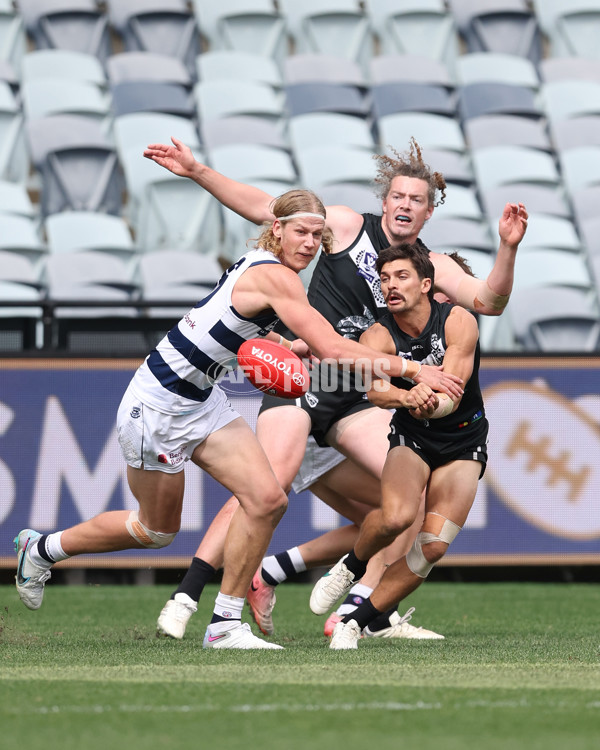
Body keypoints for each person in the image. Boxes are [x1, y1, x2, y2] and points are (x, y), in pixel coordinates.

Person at [14, 189, 438, 650]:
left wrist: (290, 348)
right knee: (154, 530)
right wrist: (412, 368)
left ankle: (223, 624)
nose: (311, 243)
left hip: (200, 397)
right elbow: (334, 348)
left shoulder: (264, 262)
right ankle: (40, 550)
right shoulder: (278, 277)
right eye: (300, 231)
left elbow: (263, 331)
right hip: (158, 402)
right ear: (277, 229)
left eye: (318, 234)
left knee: (267, 500)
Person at [145, 136, 527, 640]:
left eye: (417, 200)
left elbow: (489, 300)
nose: (405, 205)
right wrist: (198, 172)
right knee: (269, 484)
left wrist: (508, 247)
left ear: (428, 213)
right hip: (307, 377)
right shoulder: (346, 227)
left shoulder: (430, 266)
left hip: (355, 395)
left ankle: (362, 615)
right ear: (384, 202)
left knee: (404, 509)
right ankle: (188, 595)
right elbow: (269, 210)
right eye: (398, 197)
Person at [309, 243, 489, 649]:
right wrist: (410, 400)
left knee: (432, 548)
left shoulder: (458, 320)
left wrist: (430, 402)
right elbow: (375, 392)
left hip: (463, 438)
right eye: (385, 278)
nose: (391, 285)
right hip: (414, 435)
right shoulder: (378, 334)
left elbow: (453, 391)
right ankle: (350, 566)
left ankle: (354, 621)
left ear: (427, 284)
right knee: (395, 518)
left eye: (402, 276)